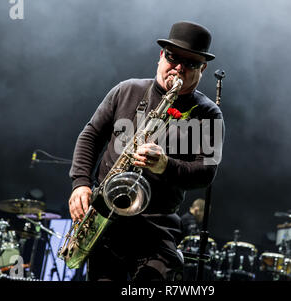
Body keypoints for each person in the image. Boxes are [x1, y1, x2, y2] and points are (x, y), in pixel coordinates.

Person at [68, 21, 224, 281]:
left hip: (157, 225)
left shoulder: (207, 113)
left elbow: (205, 173)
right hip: (106, 219)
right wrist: (80, 183)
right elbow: (91, 135)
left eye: (190, 63)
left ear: (203, 68)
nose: (179, 68)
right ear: (161, 55)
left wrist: (165, 165)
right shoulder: (127, 90)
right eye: (173, 58)